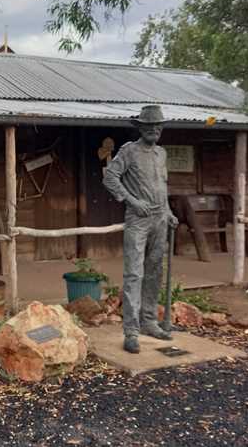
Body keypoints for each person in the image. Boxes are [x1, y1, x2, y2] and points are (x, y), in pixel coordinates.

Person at [102, 105, 179, 354]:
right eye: (150, 127)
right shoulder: (129, 151)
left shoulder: (161, 154)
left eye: (158, 127)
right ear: (141, 128)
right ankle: (131, 331)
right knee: (134, 274)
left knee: (154, 272)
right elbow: (110, 177)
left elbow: (162, 186)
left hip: (159, 219)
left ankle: (149, 322)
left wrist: (168, 212)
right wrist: (132, 201)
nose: (155, 130)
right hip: (138, 219)